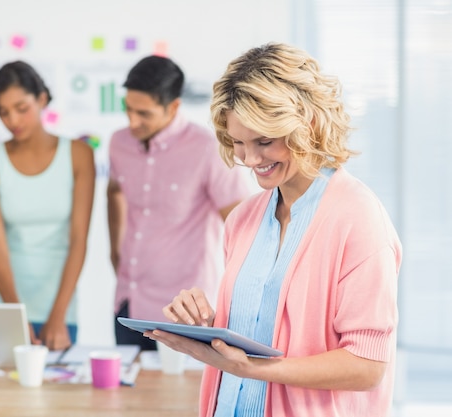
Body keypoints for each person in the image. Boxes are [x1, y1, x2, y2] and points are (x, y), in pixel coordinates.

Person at [146, 43, 402, 417]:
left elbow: (367, 366)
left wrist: (252, 368)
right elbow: (264, 332)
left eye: (264, 142)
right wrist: (205, 326)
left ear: (309, 123)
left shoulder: (359, 219)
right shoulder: (244, 219)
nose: (250, 160)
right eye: (238, 143)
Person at [108, 55, 251, 351]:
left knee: (179, 397)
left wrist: (236, 303)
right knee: (125, 397)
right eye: (128, 110)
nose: (133, 121)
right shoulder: (119, 144)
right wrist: (115, 251)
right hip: (128, 305)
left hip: (184, 314)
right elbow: (114, 191)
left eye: (144, 113)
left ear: (173, 107)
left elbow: (243, 227)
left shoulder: (207, 149)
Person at [0, 61, 95, 351]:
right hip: (3, 306)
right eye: (3, 112)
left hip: (60, 309)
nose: (13, 120)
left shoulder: (79, 155)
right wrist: (16, 316)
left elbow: (78, 240)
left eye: (21, 108)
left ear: (41, 100)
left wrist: (58, 315)